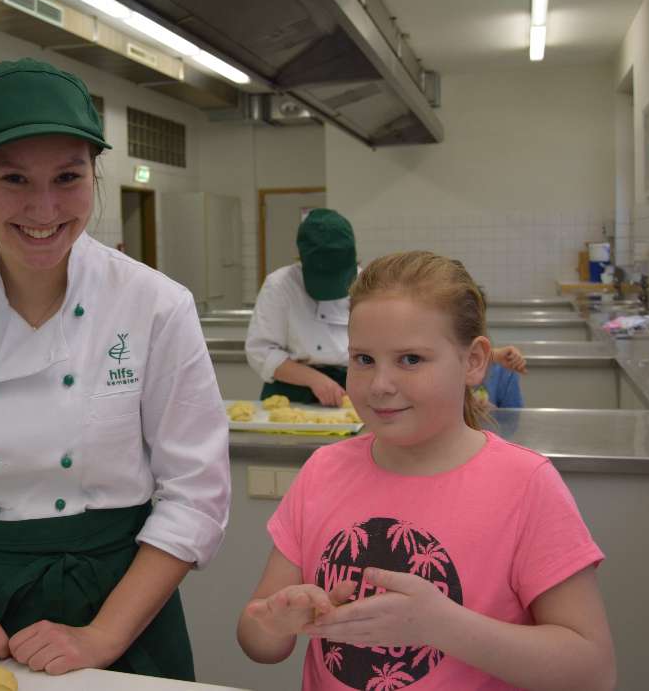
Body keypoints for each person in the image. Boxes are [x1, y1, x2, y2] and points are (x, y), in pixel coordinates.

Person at [0, 58, 230, 680]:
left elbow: (196, 492)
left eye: (67, 177)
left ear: (93, 175)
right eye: (13, 179)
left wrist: (102, 638)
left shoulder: (156, 304)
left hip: (120, 600)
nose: (44, 207)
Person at [237, 251, 615, 690]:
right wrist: (279, 620)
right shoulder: (324, 470)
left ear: (474, 361)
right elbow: (256, 639)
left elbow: (592, 672)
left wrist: (440, 625)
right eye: (363, 359)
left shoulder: (525, 487)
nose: (380, 384)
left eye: (411, 359)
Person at [246, 210, 526, 406]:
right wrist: (315, 380)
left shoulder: (372, 284)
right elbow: (261, 351)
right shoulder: (280, 286)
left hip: (356, 389)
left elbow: (414, 343)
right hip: (290, 392)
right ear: (302, 262)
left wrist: (493, 355)